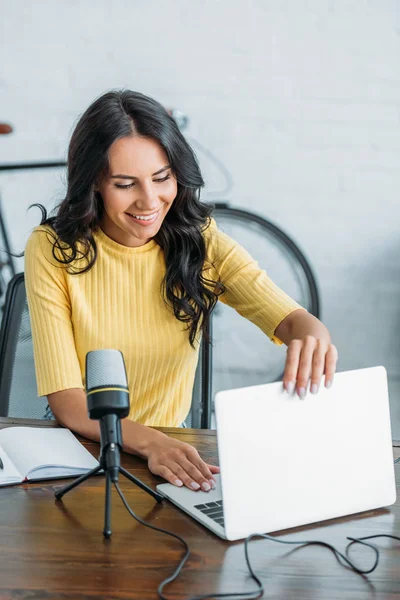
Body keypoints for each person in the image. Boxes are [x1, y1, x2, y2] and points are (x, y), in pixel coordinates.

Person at [25, 89, 338, 494]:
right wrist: (151, 442)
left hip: (175, 455)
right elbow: (68, 400)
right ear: (95, 183)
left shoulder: (198, 239)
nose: (150, 201)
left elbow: (291, 318)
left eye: (162, 178)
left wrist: (313, 335)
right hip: (85, 451)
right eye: (125, 184)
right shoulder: (53, 249)